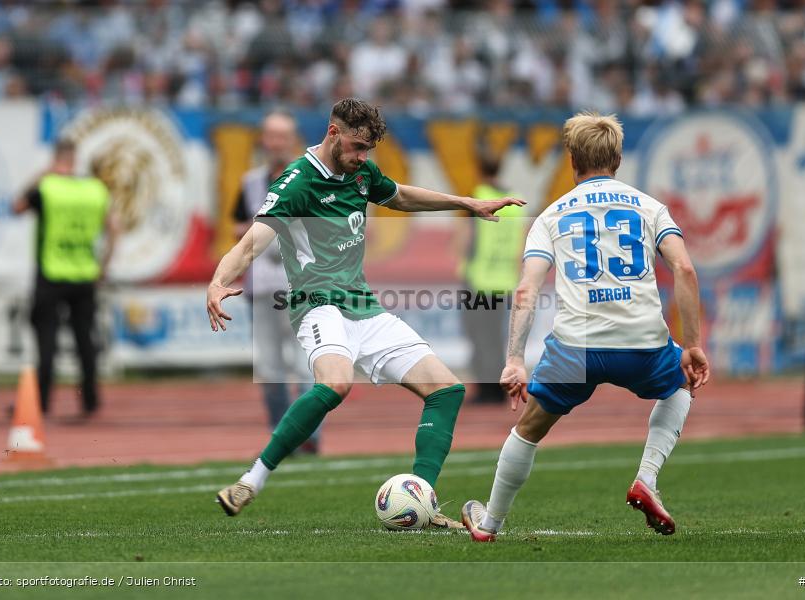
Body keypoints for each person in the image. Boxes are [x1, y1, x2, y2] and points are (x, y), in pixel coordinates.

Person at [207, 98, 524, 528]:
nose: (362, 158)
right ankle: (251, 480)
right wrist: (218, 280)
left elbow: (401, 196)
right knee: (336, 383)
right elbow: (250, 244)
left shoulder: (361, 173)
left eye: (368, 150)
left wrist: (466, 203)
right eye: (357, 147)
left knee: (447, 390)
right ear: (333, 133)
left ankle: (422, 498)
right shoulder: (297, 182)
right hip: (317, 306)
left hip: (364, 307)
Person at [460, 112, 710, 541]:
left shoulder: (551, 216)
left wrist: (515, 359)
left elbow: (527, 289)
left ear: (572, 160)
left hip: (576, 349)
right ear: (618, 159)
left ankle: (490, 523)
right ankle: (646, 478)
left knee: (529, 429)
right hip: (643, 344)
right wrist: (692, 344)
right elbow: (684, 269)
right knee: (681, 383)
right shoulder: (650, 207)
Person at [13, 138, 118, 418]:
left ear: (55, 158)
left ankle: (42, 403)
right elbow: (114, 228)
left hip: (51, 273)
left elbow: (17, 206)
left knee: (46, 340)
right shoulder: (94, 189)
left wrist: (41, 175)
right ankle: (90, 401)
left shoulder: (48, 187)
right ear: (75, 159)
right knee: (85, 339)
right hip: (85, 275)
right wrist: (104, 266)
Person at [233, 110, 318, 452]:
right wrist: (256, 230)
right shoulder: (251, 182)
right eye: (272, 136)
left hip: (301, 286)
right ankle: (282, 438)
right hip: (262, 285)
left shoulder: (310, 179)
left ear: (293, 140)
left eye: (283, 136)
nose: (277, 143)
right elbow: (236, 225)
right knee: (269, 368)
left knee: (306, 364)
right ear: (263, 140)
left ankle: (309, 437)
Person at [454, 147, 526, 404]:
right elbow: (521, 241)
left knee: (479, 336)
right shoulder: (515, 201)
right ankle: (498, 389)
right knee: (497, 337)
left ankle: (486, 391)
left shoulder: (478, 197)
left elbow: (465, 237)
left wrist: (459, 261)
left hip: (479, 279)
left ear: (479, 169)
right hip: (504, 279)